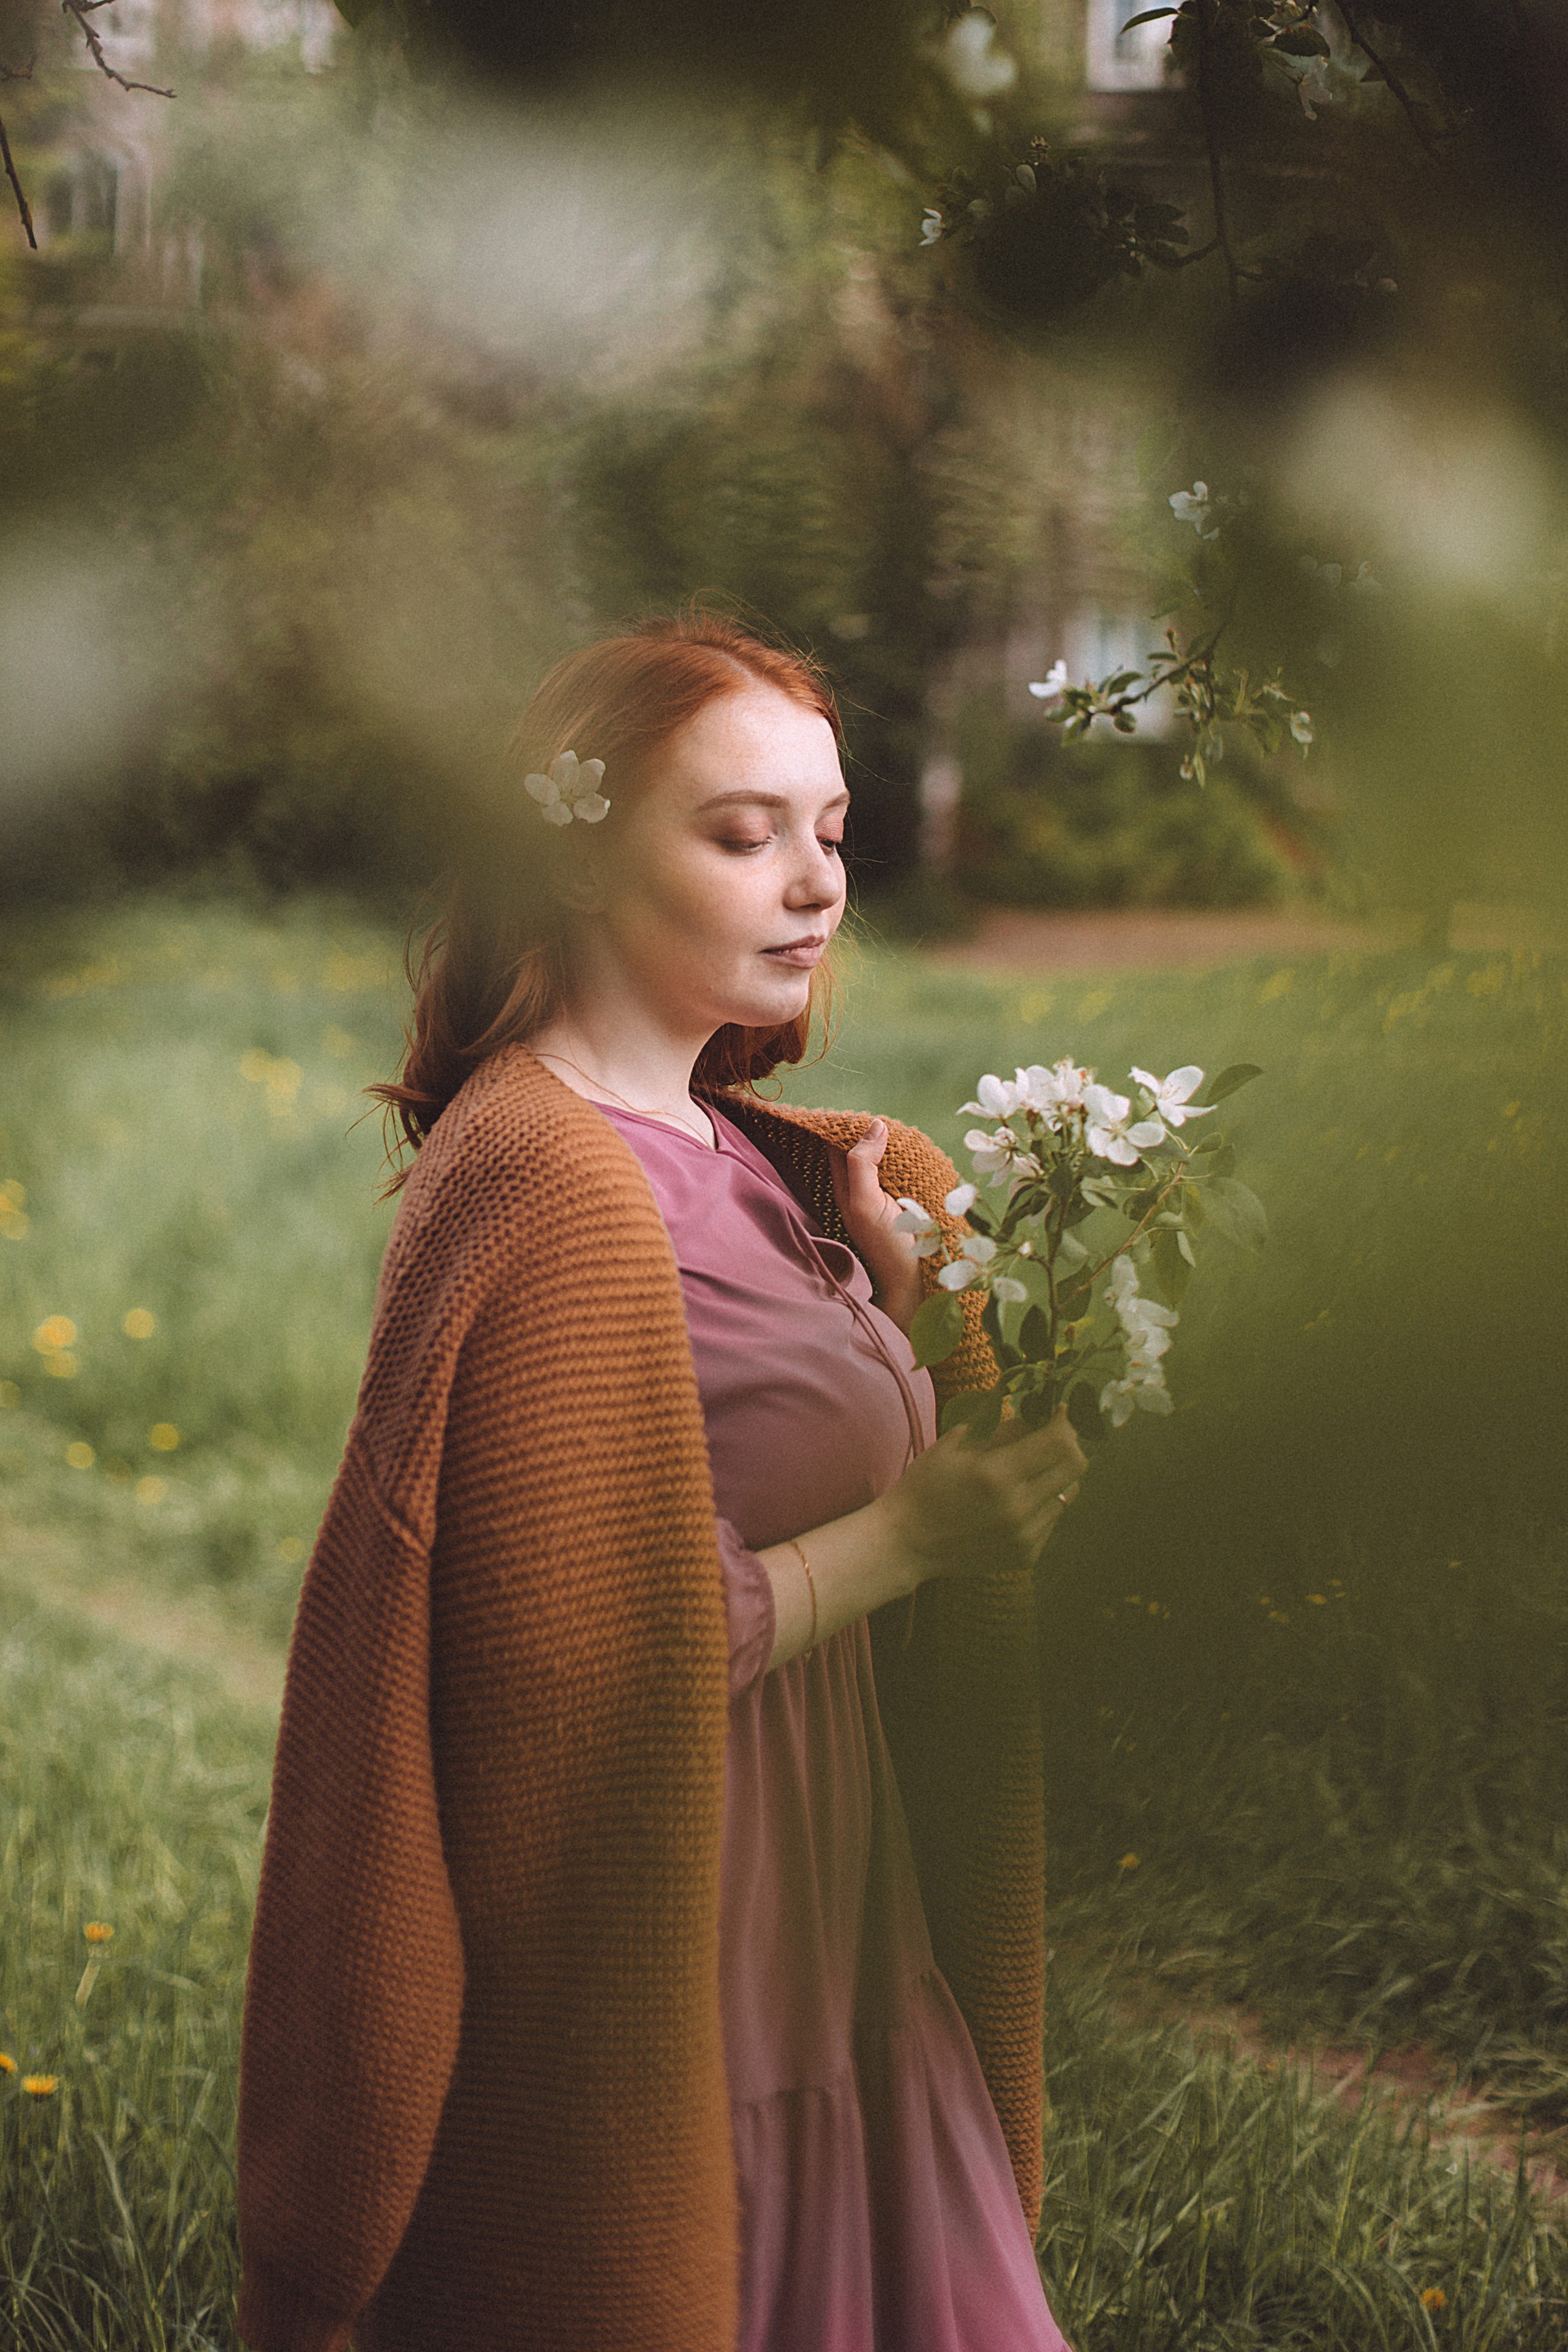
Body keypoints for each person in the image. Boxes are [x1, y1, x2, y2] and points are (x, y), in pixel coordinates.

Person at [235, 612, 1086, 2352]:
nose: (815, 883)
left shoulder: (787, 1175)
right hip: (674, 1970)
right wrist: (912, 1535)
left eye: (832, 830)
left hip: (847, 1950)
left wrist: (923, 1337)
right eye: (741, 830)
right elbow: (561, 1662)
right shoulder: (538, 1172)